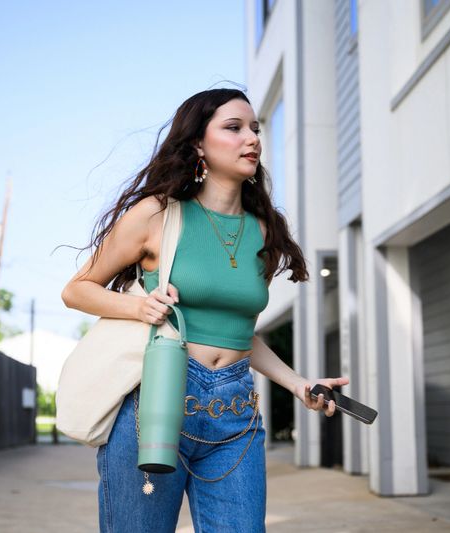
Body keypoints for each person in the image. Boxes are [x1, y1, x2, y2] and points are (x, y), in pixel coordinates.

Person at [61, 88, 348, 532]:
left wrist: (299, 385)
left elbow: (238, 332)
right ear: (198, 144)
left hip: (235, 412)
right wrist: (140, 307)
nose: (251, 138)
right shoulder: (157, 215)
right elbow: (77, 290)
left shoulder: (263, 231)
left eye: (254, 128)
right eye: (233, 128)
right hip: (157, 403)